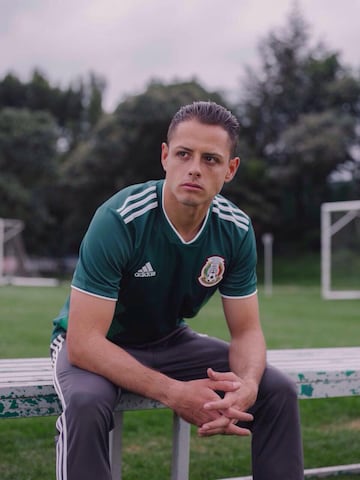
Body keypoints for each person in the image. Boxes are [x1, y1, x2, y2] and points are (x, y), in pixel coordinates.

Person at [51, 101, 304, 480]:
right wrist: (172, 392)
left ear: (230, 169)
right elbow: (84, 342)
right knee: (87, 403)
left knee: (276, 390)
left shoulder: (235, 229)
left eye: (211, 159)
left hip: (169, 339)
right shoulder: (120, 218)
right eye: (184, 154)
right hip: (96, 344)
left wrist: (248, 385)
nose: (195, 168)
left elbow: (247, 332)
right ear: (165, 156)